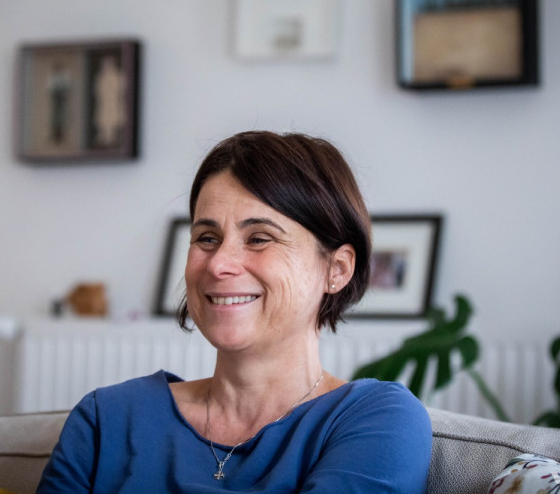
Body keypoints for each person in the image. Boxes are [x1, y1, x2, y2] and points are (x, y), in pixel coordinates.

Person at [36, 131, 432, 493]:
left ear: (337, 269)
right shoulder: (106, 418)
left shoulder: (378, 419)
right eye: (207, 238)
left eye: (259, 238)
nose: (218, 264)